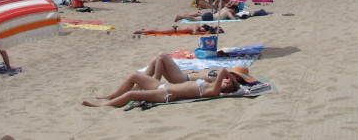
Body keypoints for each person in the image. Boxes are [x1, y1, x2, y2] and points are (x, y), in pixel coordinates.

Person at [82, 67, 242, 107]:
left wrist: (231, 78)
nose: (225, 79)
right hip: (164, 86)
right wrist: (234, 81)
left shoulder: (214, 90)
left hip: (166, 94)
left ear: (227, 85)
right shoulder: (211, 85)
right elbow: (220, 73)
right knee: (134, 75)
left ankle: (101, 106)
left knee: (131, 95)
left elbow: (222, 70)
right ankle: (111, 96)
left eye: (227, 81)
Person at [174, 2, 238, 22]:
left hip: (210, 15)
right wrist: (236, 17)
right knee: (194, 19)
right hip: (210, 17)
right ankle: (181, 16)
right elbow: (232, 18)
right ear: (233, 10)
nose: (234, 13)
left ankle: (185, 15)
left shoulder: (225, 8)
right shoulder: (228, 12)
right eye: (235, 12)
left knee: (197, 17)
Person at [133, 24, 224, 35]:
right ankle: (141, 31)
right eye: (204, 30)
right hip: (174, 30)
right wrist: (205, 33)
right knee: (157, 31)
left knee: (158, 29)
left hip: (175, 29)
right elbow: (195, 33)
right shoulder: (196, 26)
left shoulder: (197, 28)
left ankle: (144, 29)